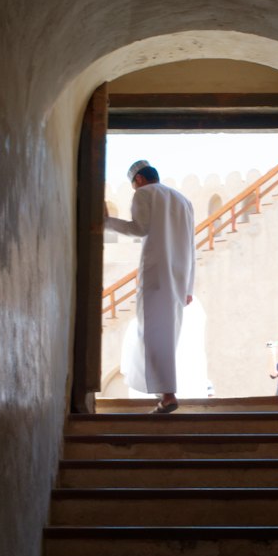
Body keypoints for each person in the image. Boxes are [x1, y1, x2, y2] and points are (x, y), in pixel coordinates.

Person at [105, 160, 195, 414]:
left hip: (156, 275)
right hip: (179, 278)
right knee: (166, 334)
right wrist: (189, 286)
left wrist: (107, 222)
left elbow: (139, 228)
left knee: (153, 334)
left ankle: (168, 395)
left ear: (139, 180)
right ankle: (165, 392)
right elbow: (191, 244)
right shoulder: (182, 199)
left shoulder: (144, 194)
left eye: (133, 185)